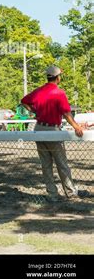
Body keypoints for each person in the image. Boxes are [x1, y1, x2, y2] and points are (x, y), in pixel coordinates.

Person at [21, 65, 88, 201]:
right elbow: (66, 113)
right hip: (53, 131)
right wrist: (76, 126)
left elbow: (24, 101)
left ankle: (52, 194)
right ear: (58, 78)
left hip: (39, 129)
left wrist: (34, 111)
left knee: (46, 165)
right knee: (62, 164)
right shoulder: (59, 93)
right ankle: (71, 193)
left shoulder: (39, 91)